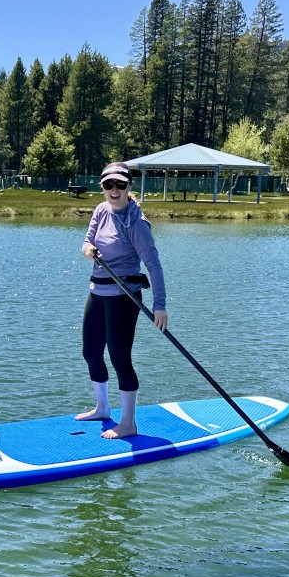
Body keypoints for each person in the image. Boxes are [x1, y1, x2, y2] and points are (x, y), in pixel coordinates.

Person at [77, 162, 168, 439]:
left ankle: (128, 423)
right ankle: (102, 408)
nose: (114, 190)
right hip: (98, 291)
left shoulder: (136, 222)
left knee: (119, 357)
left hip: (124, 296)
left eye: (120, 185)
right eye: (108, 185)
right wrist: (88, 249)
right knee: (91, 352)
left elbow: (153, 264)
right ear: (102, 187)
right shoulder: (100, 210)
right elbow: (86, 243)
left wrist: (159, 305)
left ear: (130, 188)